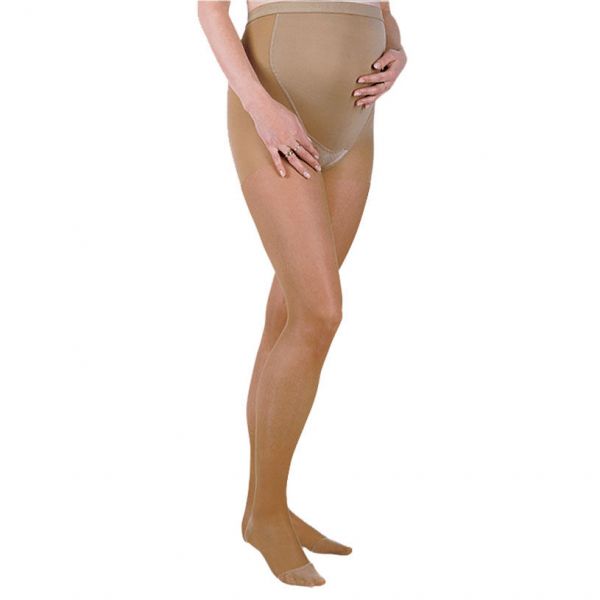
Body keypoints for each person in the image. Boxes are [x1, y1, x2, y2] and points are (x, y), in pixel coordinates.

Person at [197, 0, 407, 587]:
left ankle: (266, 507)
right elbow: (211, 12)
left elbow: (383, 10)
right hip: (273, 113)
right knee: (321, 313)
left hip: (355, 127)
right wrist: (259, 106)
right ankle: (266, 516)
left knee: (291, 313)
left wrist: (398, 51)